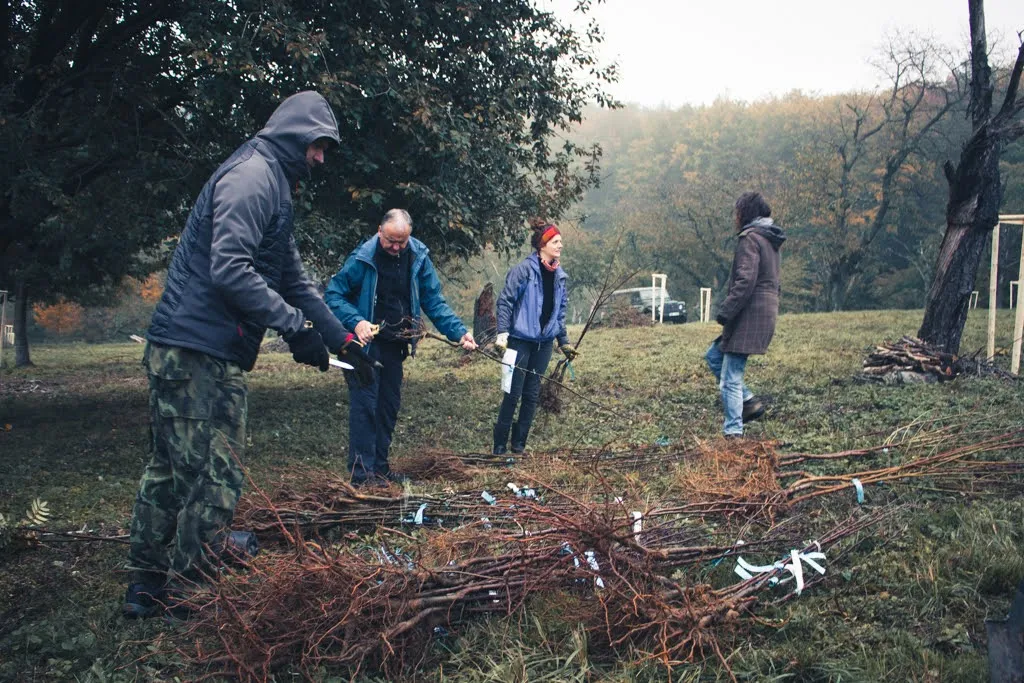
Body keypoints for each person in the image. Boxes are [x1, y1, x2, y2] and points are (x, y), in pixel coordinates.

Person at [122, 91, 377, 620]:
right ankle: (186, 593)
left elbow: (293, 281)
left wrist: (341, 340)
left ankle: (145, 589)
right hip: (200, 352)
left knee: (172, 472)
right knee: (214, 474)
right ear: (295, 135)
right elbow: (231, 269)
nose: (321, 159)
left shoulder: (274, 187)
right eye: (318, 147)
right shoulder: (252, 177)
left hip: (193, 347)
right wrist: (294, 328)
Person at [325, 209, 477, 485]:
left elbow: (433, 300)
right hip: (363, 348)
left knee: (387, 407)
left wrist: (459, 333)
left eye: (402, 242)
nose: (396, 248)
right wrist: (356, 321)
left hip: (396, 345)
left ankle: (380, 469)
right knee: (365, 408)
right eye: (391, 241)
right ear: (379, 231)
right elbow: (333, 294)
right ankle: (361, 475)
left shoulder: (418, 257)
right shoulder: (362, 258)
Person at [492, 219, 577, 455]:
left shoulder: (559, 276)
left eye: (561, 241)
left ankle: (519, 445)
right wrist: (502, 333)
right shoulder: (524, 271)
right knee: (512, 392)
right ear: (543, 245)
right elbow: (505, 302)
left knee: (531, 395)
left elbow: (559, 313)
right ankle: (499, 446)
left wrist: (564, 342)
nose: (560, 245)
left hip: (544, 344)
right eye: (556, 241)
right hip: (519, 341)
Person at [706, 191, 786, 438]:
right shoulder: (768, 239)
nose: (735, 217)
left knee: (730, 377)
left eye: (737, 212)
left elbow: (746, 280)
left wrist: (726, 310)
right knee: (714, 356)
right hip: (763, 312)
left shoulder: (750, 239)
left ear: (745, 213)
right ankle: (749, 401)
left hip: (748, 314)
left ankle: (733, 431)